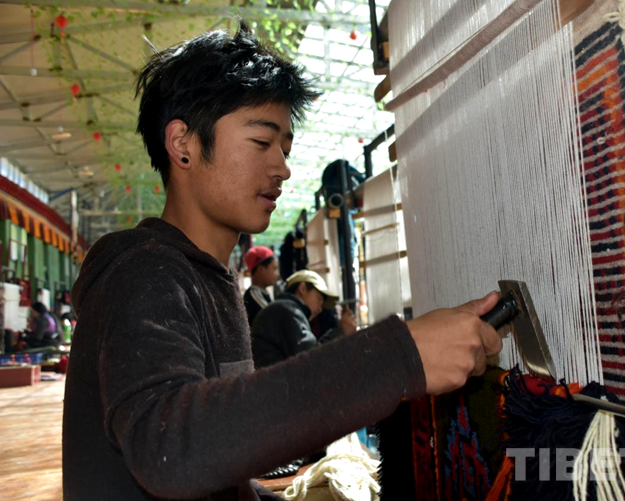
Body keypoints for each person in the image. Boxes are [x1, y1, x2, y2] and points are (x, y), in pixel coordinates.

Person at [62, 22, 503, 501]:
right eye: (261, 142)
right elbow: (171, 448)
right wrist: (399, 357)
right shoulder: (142, 273)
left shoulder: (207, 280)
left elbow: (222, 479)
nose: (283, 168)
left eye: (285, 149)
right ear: (183, 144)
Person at [251, 270, 357, 369]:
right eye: (319, 299)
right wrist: (340, 332)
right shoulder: (287, 309)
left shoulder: (283, 309)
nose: (320, 309)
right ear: (303, 288)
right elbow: (311, 359)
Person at [243, 246, 279, 327]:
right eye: (274, 268)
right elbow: (275, 319)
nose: (277, 274)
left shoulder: (261, 293)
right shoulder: (255, 295)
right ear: (261, 269)